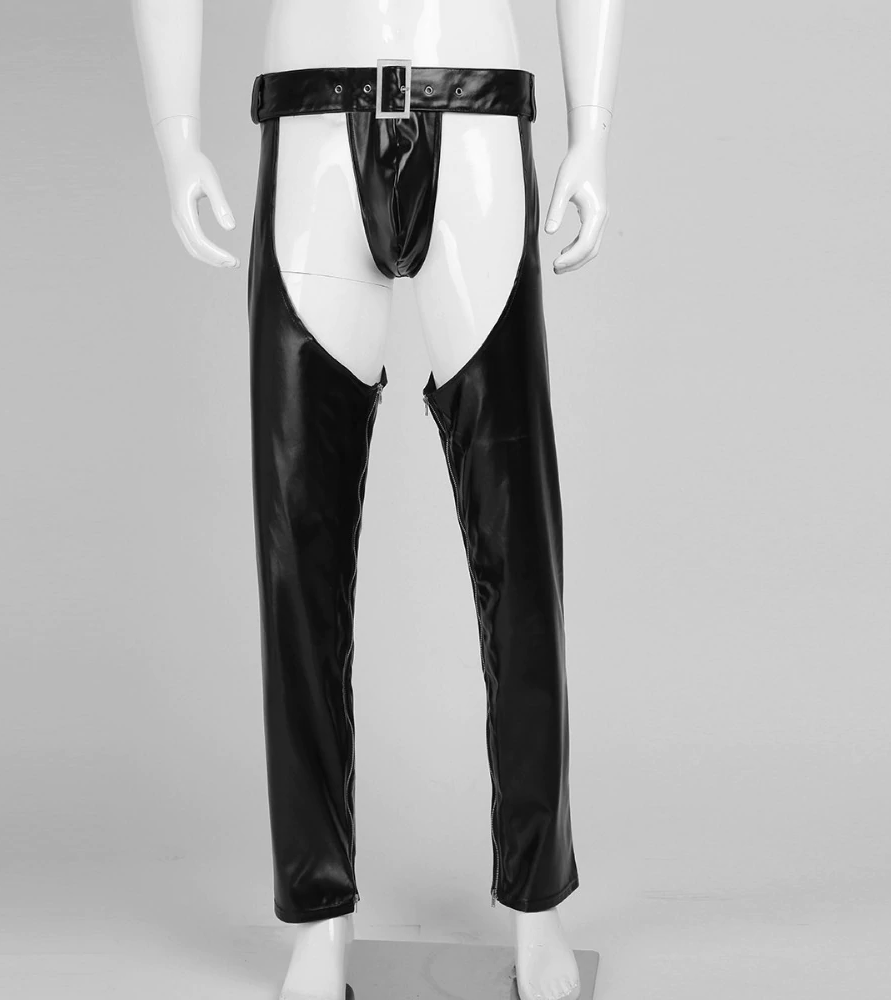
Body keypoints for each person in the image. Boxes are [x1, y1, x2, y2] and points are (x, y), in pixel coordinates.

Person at [132, 3, 624, 1000]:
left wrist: (593, 131)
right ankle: (319, 915)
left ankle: (538, 904)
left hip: (475, 117)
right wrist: (175, 137)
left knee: (519, 538)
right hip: (312, 127)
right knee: (297, 544)